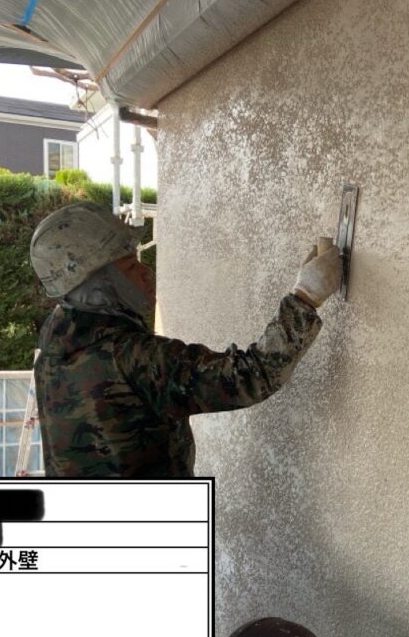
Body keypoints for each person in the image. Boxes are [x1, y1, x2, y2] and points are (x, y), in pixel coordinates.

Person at [28, 201, 341, 477]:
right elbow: (249, 376)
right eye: (131, 266)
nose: (146, 273)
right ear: (98, 285)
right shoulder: (132, 356)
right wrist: (305, 297)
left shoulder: (51, 356)